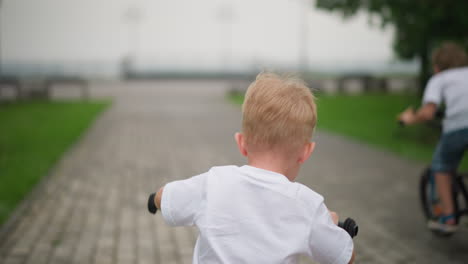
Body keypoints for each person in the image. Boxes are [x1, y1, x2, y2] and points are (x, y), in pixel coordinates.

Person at [150, 73, 355, 263]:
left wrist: (156, 200)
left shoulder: (214, 182)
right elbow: (344, 257)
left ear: (241, 142)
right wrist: (333, 225)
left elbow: (165, 197)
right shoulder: (308, 206)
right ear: (306, 151)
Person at [398, 42, 468, 234]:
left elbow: (428, 112)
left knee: (441, 165)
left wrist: (409, 118)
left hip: (458, 127)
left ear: (437, 66)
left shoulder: (440, 79)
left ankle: (449, 217)